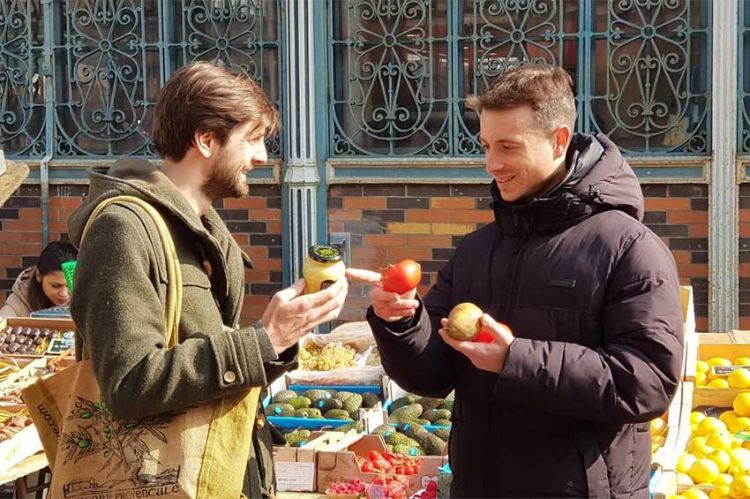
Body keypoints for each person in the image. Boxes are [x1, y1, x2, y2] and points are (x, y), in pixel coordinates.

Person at [351, 64, 684, 497]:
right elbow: (430, 375)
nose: (492, 164)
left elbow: (649, 382)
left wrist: (517, 359)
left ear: (558, 140)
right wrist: (402, 322)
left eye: (508, 146)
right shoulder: (478, 249)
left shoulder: (629, 248)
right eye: (486, 145)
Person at [68, 62, 348, 498]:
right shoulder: (123, 227)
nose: (261, 157)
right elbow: (128, 383)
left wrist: (281, 339)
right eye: (252, 140)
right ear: (205, 138)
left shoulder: (202, 227)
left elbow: (207, 350)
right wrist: (261, 340)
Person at [0, 240, 77, 319]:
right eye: (56, 286)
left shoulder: (88, 297)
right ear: (38, 275)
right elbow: (5, 317)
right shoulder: (22, 298)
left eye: (71, 285)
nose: (64, 294)